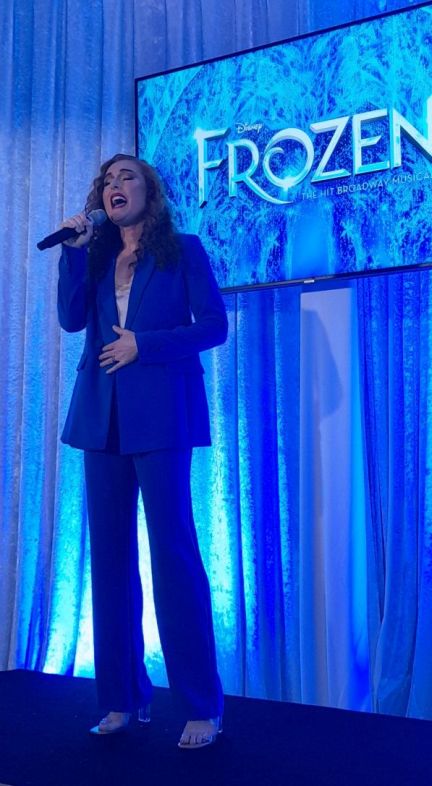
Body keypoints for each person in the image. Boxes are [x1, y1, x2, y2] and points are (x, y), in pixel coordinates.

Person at [57, 153, 228, 748]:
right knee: (108, 560)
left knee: (174, 556)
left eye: (126, 176)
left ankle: (201, 705)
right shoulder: (96, 255)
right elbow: (70, 319)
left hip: (162, 417)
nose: (114, 185)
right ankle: (122, 697)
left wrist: (144, 346)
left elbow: (214, 327)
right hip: (100, 420)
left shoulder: (183, 250)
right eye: (107, 180)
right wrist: (73, 252)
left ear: (149, 191)